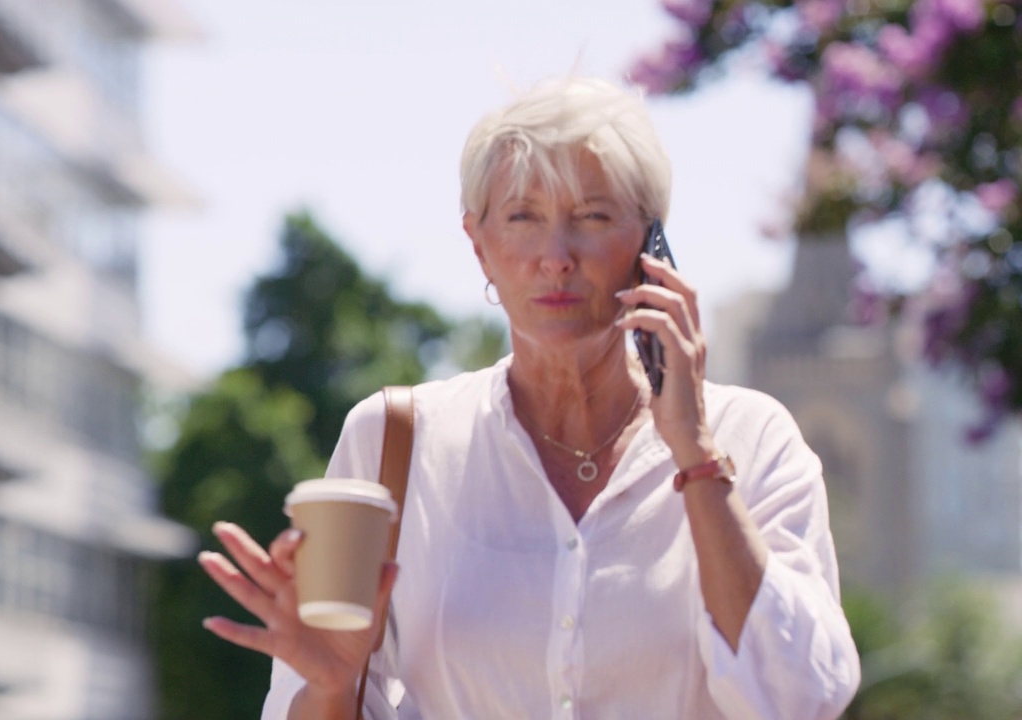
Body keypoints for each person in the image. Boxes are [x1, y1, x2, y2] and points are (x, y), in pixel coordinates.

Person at [197, 76, 861, 719]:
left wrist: (695, 453)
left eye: (592, 216)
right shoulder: (391, 441)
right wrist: (333, 688)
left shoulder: (753, 439)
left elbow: (802, 699)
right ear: (478, 244)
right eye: (522, 216)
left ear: (651, 244)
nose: (556, 255)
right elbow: (308, 705)